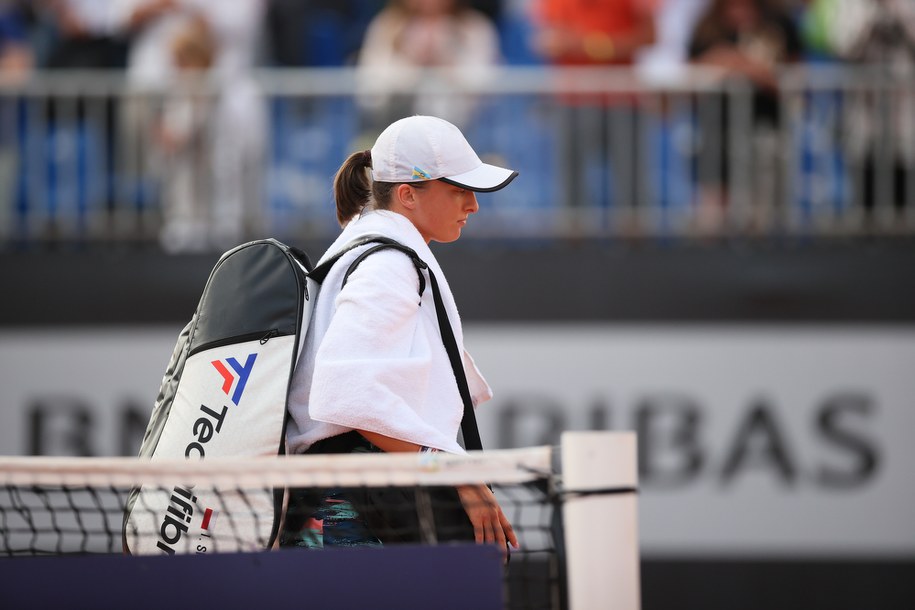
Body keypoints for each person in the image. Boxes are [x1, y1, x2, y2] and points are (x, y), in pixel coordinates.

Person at [283, 115, 519, 552]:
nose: (473, 205)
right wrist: (450, 472)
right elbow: (344, 391)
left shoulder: (368, 247)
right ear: (408, 195)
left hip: (351, 499)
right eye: (458, 190)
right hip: (355, 509)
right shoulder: (386, 264)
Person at [531, 0, 658, 221]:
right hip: (572, 100)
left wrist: (591, 46)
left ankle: (637, 244)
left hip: (622, 99)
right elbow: (546, 40)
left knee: (631, 183)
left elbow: (650, 36)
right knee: (572, 184)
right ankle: (572, 243)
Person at [356, 0, 501, 133]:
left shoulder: (476, 27)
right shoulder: (387, 26)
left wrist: (445, 64)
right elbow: (371, 87)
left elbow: (488, 87)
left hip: (464, 129)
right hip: (397, 128)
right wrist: (413, 64)